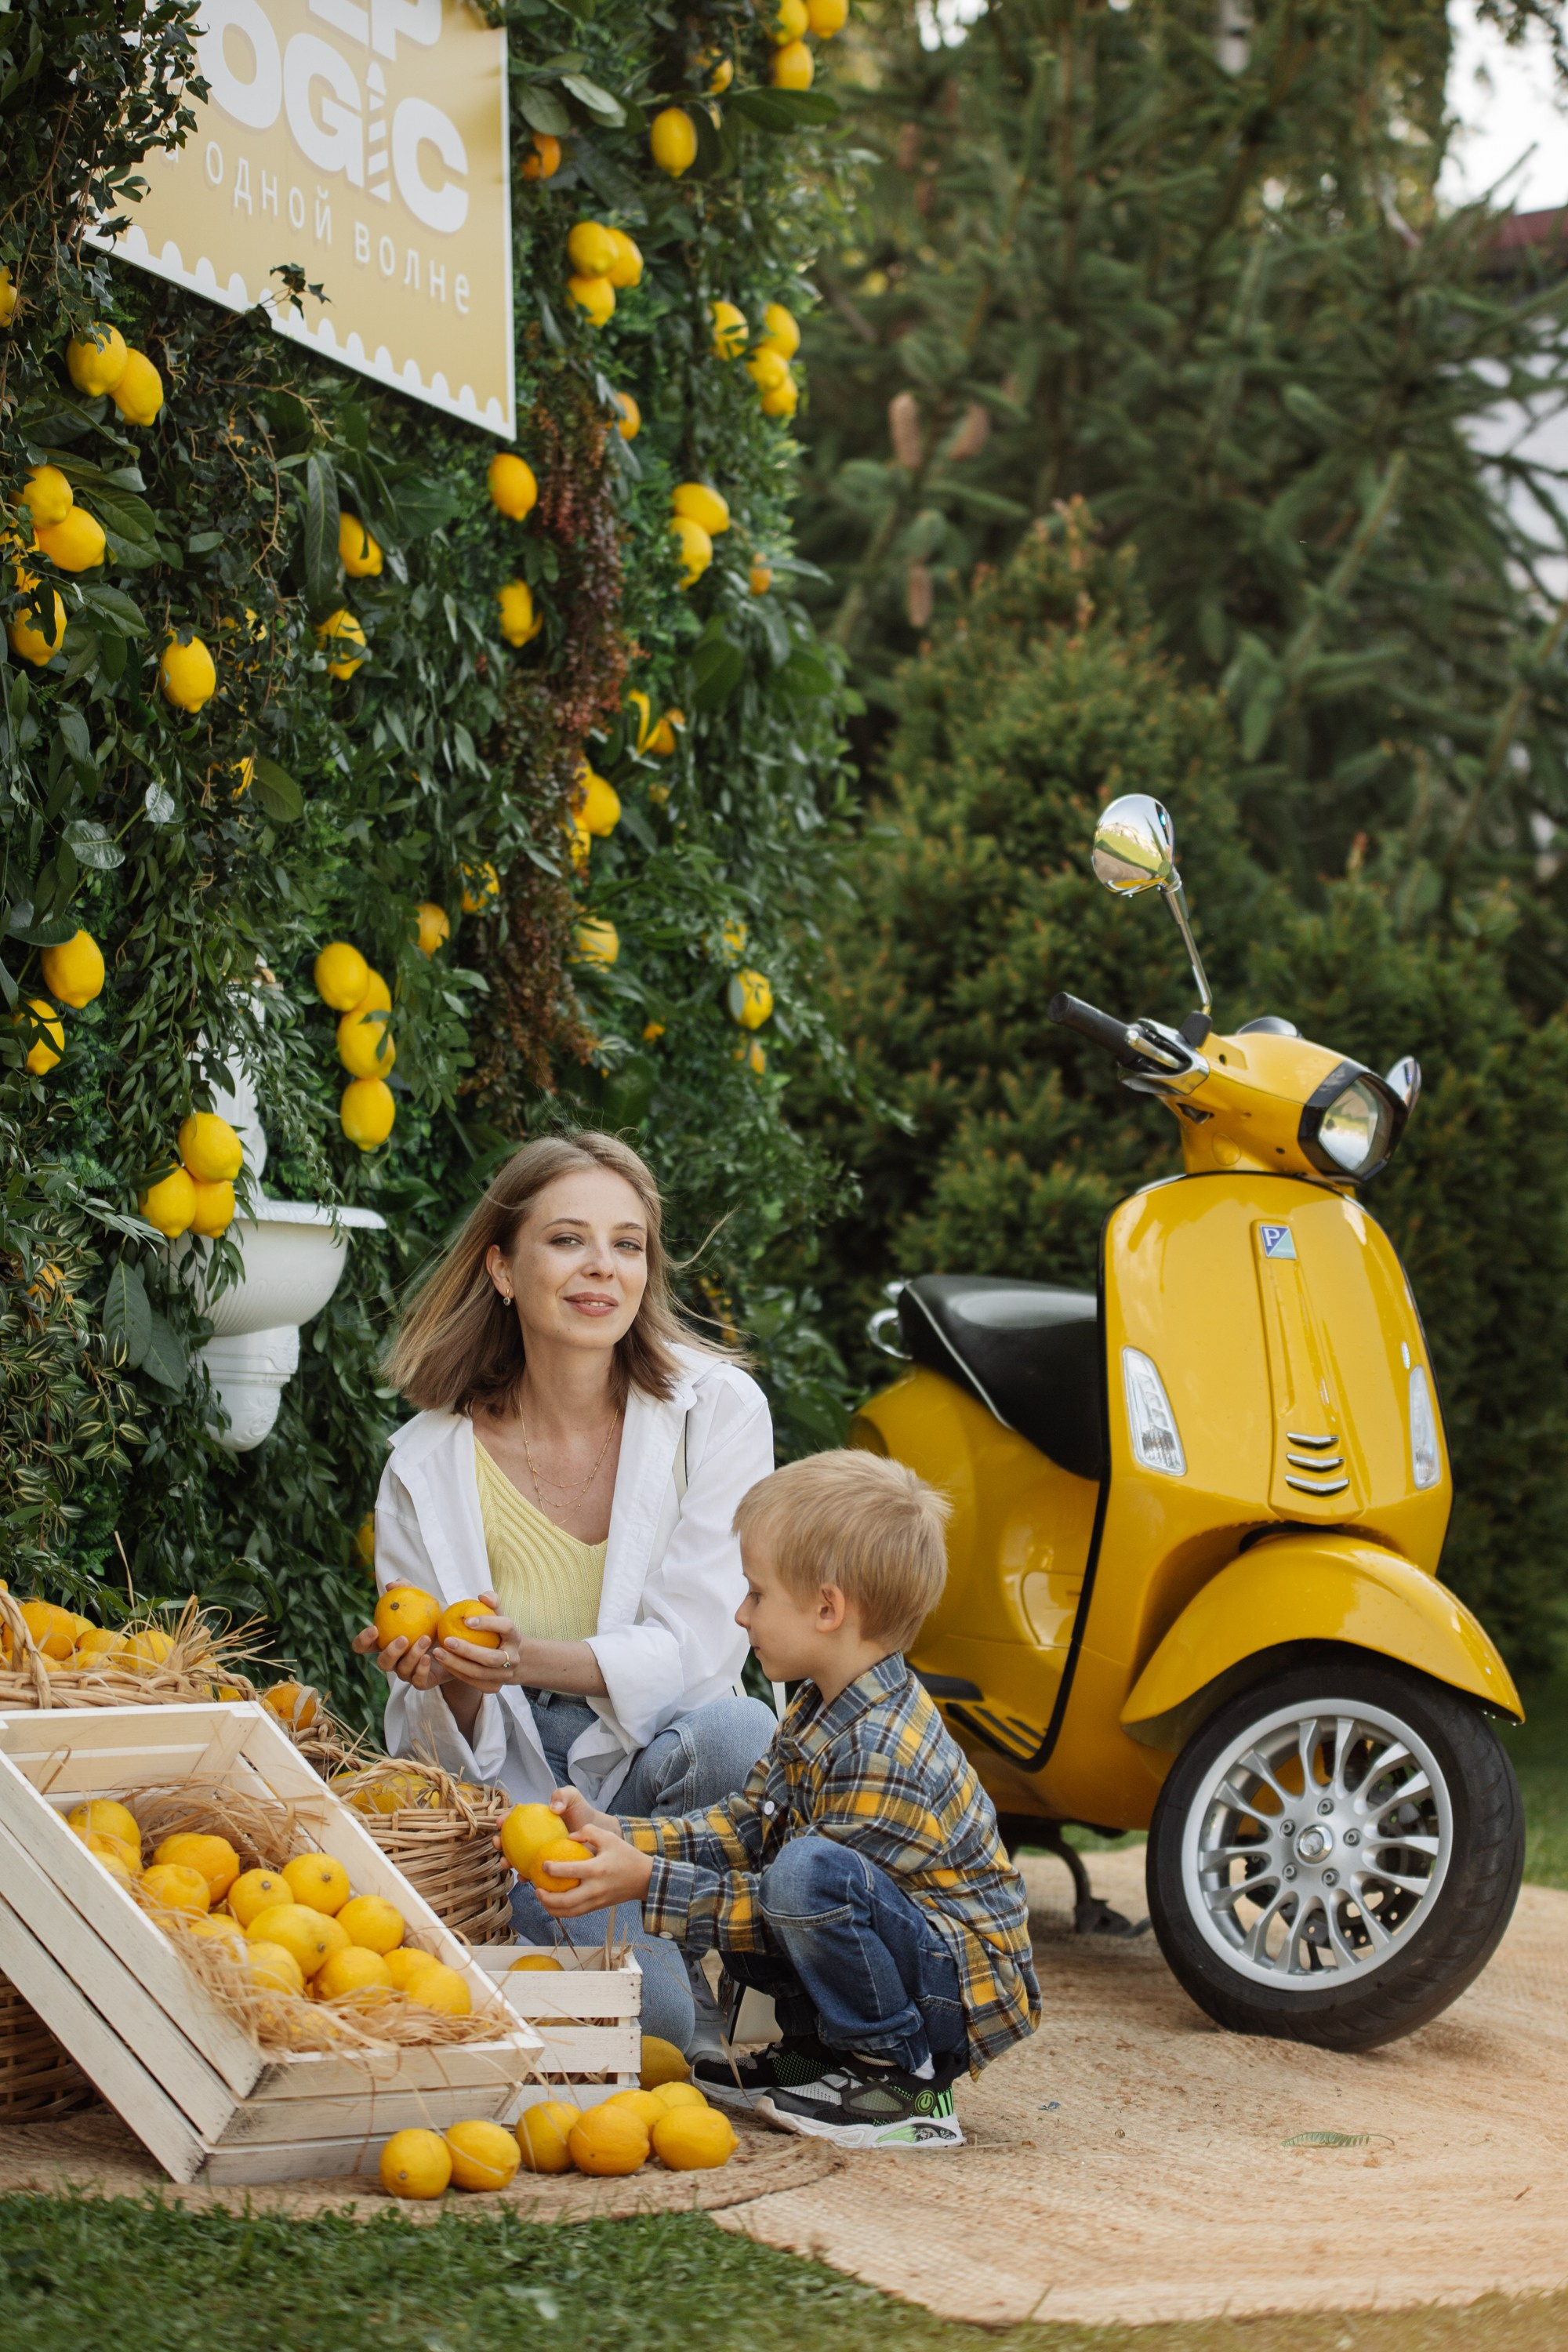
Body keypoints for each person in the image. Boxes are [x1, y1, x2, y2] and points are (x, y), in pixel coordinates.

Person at [351, 1130, 778, 2051]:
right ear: (502, 1268)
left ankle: (672, 1924)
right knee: (652, 2030)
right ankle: (658, 1969)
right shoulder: (425, 1464)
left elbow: (704, 1649)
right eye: (566, 1240)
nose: (600, 1268)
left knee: (740, 1733)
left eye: (627, 1244)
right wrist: (451, 1681)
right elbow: (432, 1755)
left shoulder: (716, 1412)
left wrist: (523, 1659)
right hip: (522, 1796)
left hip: (660, 1767)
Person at [532, 1449, 1041, 2150]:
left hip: (951, 1990)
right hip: (900, 1956)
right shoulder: (819, 1706)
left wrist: (649, 1882)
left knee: (799, 1877)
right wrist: (621, 1832)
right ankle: (819, 2057)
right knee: (780, 1856)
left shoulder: (880, 1749)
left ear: (828, 1608)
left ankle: (902, 2083)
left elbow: (781, 1911)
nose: (741, 1614)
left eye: (757, 1594)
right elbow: (743, 1824)